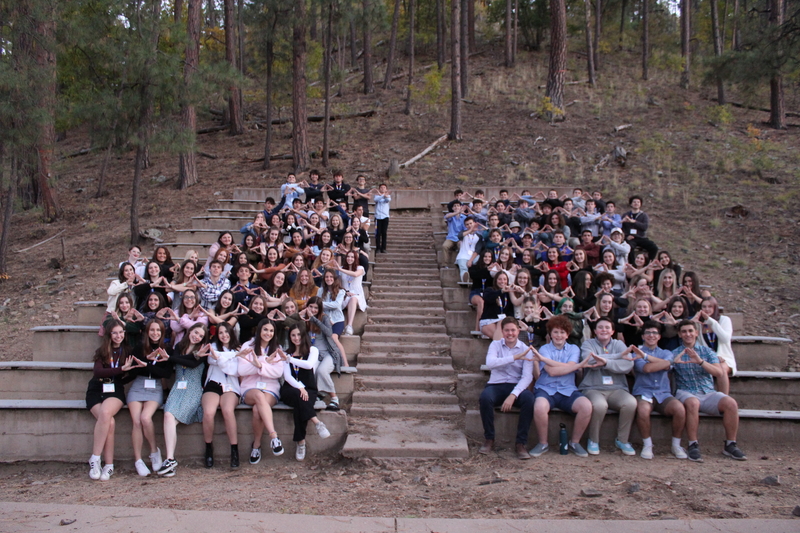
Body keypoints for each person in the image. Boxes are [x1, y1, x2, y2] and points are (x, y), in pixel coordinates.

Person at [671, 320, 747, 461]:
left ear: (696, 333)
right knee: (693, 403)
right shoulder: (675, 353)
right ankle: (693, 444)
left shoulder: (707, 351)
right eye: (684, 331)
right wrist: (672, 363)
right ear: (679, 334)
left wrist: (700, 362)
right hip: (686, 391)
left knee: (731, 403)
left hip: (708, 392)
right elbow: (666, 369)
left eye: (690, 331)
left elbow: (718, 372)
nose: (688, 334)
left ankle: (730, 444)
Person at [86, 320, 144, 480]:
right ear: (109, 335)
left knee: (105, 413)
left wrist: (120, 378)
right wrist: (120, 370)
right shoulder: (103, 350)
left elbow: (132, 373)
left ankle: (95, 457)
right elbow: (98, 372)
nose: (118, 336)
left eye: (121, 332)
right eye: (115, 333)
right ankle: (108, 464)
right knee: (109, 423)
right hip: (96, 390)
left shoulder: (128, 351)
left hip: (115, 391)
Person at [528, 315, 593, 458]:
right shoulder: (544, 349)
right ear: (550, 333)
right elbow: (551, 371)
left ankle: (575, 443)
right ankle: (543, 443)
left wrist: (572, 366)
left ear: (567, 334)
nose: (559, 335)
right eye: (555, 332)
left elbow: (569, 366)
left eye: (562, 332)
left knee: (586, 406)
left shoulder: (574, 349)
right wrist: (576, 366)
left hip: (568, 390)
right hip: (546, 388)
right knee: (539, 406)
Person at [628, 321, 688, 459]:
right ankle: (647, 445)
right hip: (643, 392)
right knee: (642, 410)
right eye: (648, 333)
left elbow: (667, 367)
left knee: (679, 408)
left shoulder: (666, 352)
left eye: (654, 333)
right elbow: (647, 369)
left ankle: (676, 445)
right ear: (643, 336)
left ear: (659, 337)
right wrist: (667, 362)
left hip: (663, 393)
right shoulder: (636, 353)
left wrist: (647, 358)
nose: (651, 335)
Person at [157, 323, 210, 477]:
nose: (197, 336)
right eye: (195, 332)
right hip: (177, 388)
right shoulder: (179, 346)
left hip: (193, 389)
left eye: (200, 335)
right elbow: (177, 360)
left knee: (170, 416)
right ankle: (170, 459)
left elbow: (191, 363)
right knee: (168, 417)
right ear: (189, 331)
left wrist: (192, 356)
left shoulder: (202, 350)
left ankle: (169, 460)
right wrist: (173, 358)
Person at [478, 317, 536, 460]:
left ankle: (521, 443)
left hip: (516, 386)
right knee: (485, 398)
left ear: (518, 331)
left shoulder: (526, 349)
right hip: (496, 384)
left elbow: (527, 377)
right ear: (502, 332)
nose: (510, 333)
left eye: (513, 330)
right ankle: (489, 439)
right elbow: (490, 363)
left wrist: (513, 395)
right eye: (507, 330)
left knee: (529, 400)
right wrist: (515, 357)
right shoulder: (496, 345)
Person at [578, 318, 638, 456]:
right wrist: (617, 357)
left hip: (617, 388)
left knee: (630, 403)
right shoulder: (588, 344)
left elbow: (628, 365)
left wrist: (605, 362)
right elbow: (589, 360)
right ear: (595, 331)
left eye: (607, 327)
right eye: (600, 327)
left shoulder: (620, 344)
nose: (603, 330)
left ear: (612, 331)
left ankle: (622, 440)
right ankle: (593, 440)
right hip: (593, 387)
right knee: (599, 405)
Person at [279, 325, 332, 461]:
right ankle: (317, 422)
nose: (296, 338)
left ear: (304, 336)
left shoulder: (312, 350)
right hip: (290, 388)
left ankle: (301, 442)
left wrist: (289, 359)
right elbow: (288, 376)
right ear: (289, 337)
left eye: (299, 335)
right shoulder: (287, 352)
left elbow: (308, 365)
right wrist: (299, 387)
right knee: (299, 396)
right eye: (293, 335)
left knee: (300, 405)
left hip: (309, 388)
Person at [127, 320, 172, 476]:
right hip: (138, 386)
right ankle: (138, 460)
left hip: (155, 388)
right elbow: (132, 372)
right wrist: (147, 359)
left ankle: (154, 452)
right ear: (147, 332)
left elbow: (166, 373)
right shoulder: (139, 349)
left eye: (158, 330)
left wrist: (147, 365)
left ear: (162, 333)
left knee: (146, 418)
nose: (155, 333)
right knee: (136, 421)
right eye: (152, 330)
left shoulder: (167, 349)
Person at [239, 319, 286, 462]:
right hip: (250, 388)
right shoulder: (248, 346)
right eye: (265, 329)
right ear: (259, 330)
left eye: (271, 331)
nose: (268, 333)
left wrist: (258, 364)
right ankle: (274, 436)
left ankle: (256, 445)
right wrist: (265, 363)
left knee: (257, 410)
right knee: (258, 396)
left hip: (270, 388)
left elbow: (277, 372)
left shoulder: (277, 348)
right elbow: (241, 369)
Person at [202, 322, 243, 469]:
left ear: (231, 333)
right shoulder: (212, 347)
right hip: (213, 383)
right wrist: (234, 356)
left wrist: (223, 357)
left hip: (231, 385)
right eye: (220, 333)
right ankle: (208, 447)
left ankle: (234, 450)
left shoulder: (239, 348)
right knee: (208, 412)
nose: (224, 335)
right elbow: (210, 359)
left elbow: (234, 370)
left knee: (227, 410)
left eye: (226, 332)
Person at [696, 296, 736, 395]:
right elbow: (700, 345)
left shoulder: (724, 320)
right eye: (704, 306)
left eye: (710, 306)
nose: (707, 309)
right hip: (708, 358)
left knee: (721, 369)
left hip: (724, 358)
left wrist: (711, 321)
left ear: (715, 307)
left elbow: (725, 338)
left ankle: (724, 399)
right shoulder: (700, 324)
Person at [622, 196, 658, 262]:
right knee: (629, 247)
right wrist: (626, 236)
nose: (636, 203)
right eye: (634, 202)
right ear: (631, 204)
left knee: (654, 247)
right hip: (630, 238)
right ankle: (632, 265)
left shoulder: (644, 215)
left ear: (640, 204)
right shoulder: (626, 215)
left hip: (640, 237)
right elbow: (621, 228)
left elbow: (645, 227)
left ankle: (648, 264)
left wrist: (635, 222)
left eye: (638, 202)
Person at [443, 202, 467, 267]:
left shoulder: (464, 217)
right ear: (452, 208)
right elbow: (446, 217)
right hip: (451, 237)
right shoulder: (450, 215)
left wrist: (461, 238)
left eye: (458, 206)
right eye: (455, 206)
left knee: (461, 246)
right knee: (445, 246)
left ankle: (460, 263)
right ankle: (445, 264)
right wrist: (458, 212)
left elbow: (465, 229)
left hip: (459, 238)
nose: (456, 207)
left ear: (460, 207)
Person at [373, 183, 391, 253]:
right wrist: (383, 195)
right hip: (378, 217)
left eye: (384, 187)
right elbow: (376, 200)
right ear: (379, 189)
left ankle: (383, 248)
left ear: (386, 189)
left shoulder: (388, 196)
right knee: (378, 233)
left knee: (384, 233)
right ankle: (378, 248)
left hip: (385, 217)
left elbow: (387, 200)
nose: (383, 189)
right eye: (381, 187)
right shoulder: (376, 196)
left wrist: (384, 196)